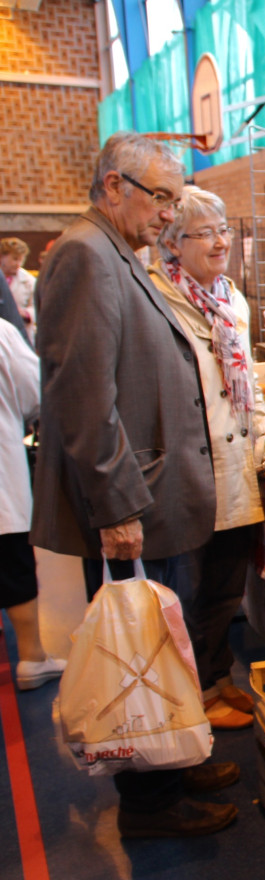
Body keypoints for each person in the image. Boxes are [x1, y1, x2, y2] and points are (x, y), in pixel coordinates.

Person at [31, 132, 238, 838]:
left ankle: (174, 764)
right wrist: (116, 506)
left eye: (175, 200)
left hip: (159, 499)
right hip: (136, 505)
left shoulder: (120, 254)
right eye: (160, 198)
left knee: (168, 645)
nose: (166, 214)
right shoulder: (87, 258)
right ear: (113, 186)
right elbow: (83, 398)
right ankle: (152, 805)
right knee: (145, 653)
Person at [150, 187, 265, 730]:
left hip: (236, 469)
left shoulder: (231, 298)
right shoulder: (160, 300)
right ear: (173, 244)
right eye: (204, 233)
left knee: (226, 587)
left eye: (224, 229)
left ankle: (219, 679)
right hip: (190, 472)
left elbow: (244, 382)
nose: (220, 241)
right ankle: (194, 696)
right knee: (189, 588)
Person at [0, 285, 65, 690]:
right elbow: (35, 390)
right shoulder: (2, 335)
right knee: (11, 562)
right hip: (2, 484)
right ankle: (31, 657)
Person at [1, 237, 37, 339]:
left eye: (21, 260)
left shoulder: (29, 281)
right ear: (2, 256)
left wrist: (25, 313)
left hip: (19, 332)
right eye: (15, 259)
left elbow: (38, 308)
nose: (18, 264)